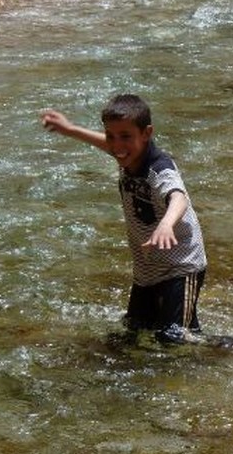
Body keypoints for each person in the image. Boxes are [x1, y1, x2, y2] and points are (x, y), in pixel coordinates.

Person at [41, 94, 208, 345]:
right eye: (111, 136)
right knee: (133, 332)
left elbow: (178, 198)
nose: (116, 145)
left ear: (146, 133)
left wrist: (166, 224)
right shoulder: (127, 155)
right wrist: (70, 129)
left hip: (181, 265)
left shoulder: (158, 167)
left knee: (173, 337)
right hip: (148, 267)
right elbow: (108, 144)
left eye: (125, 136)